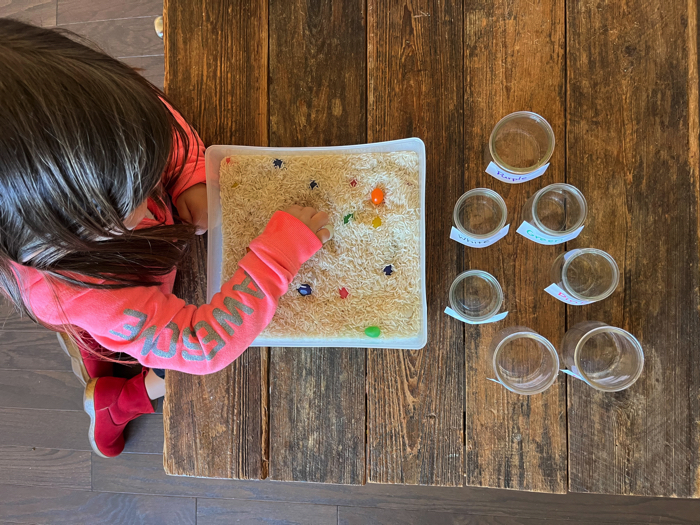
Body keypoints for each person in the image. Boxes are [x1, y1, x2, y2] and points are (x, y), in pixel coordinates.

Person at [0, 19, 330, 458]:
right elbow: (202, 346)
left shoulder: (102, 120)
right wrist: (277, 257)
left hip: (146, 285)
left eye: (145, 164)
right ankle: (117, 404)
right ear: (53, 244)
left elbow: (159, 121)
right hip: (115, 323)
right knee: (159, 371)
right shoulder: (87, 297)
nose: (148, 190)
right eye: (125, 203)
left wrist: (188, 176)